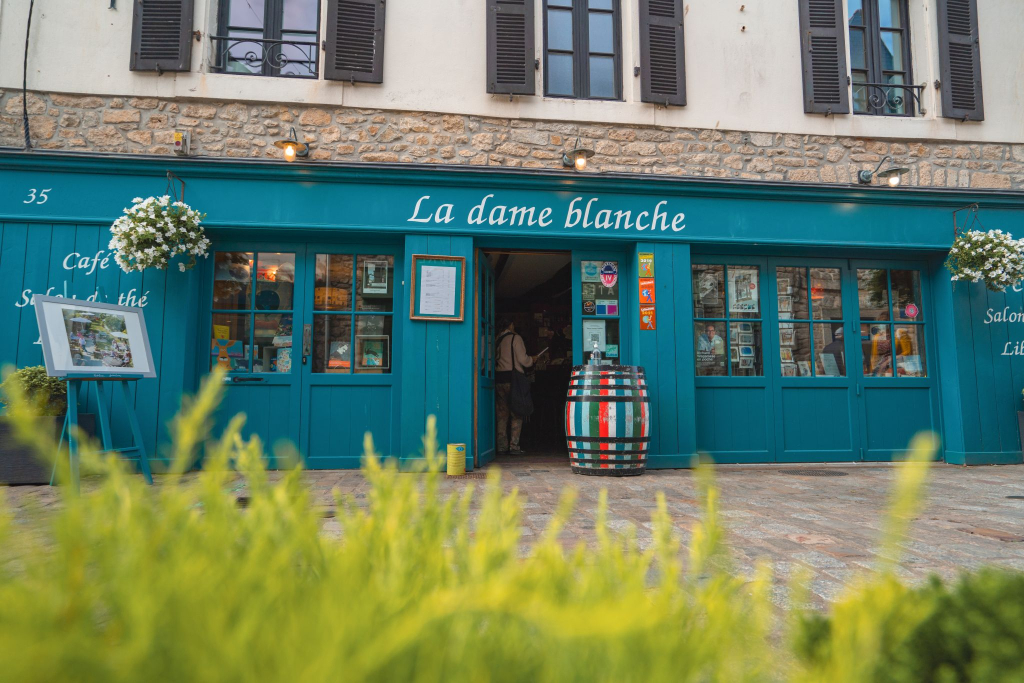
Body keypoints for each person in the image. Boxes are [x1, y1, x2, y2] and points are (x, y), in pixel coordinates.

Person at [495, 318, 544, 455]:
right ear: (511, 324)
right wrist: (532, 359)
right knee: (517, 412)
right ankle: (514, 446)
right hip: (513, 379)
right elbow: (524, 361)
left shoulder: (497, 339)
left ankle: (501, 446)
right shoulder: (515, 338)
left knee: (501, 414)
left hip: (499, 379)